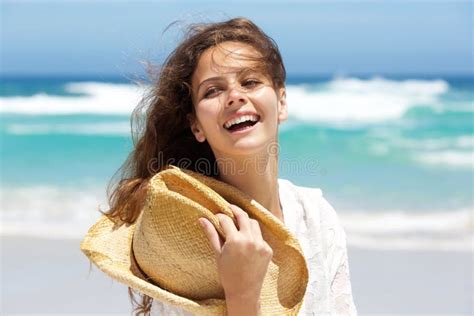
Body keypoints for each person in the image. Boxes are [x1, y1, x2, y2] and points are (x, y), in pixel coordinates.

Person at [106, 17, 357, 315]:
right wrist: (242, 293)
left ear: (281, 102)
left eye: (250, 81)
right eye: (212, 91)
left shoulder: (314, 214)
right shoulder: (184, 233)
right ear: (196, 125)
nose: (235, 96)